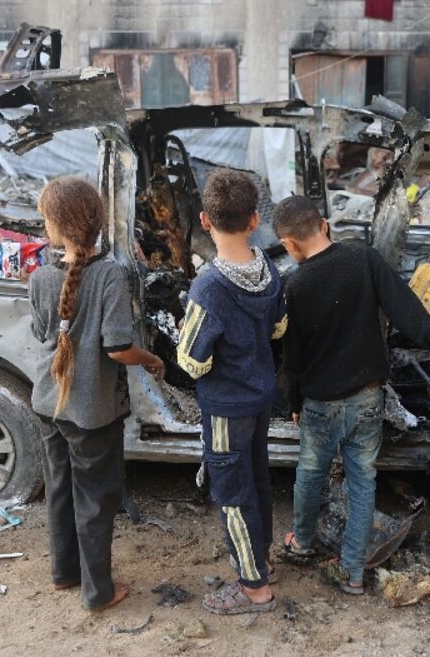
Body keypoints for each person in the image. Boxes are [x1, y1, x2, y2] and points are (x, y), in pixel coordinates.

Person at [272, 195, 430, 595]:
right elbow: (411, 316)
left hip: (319, 405)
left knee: (309, 474)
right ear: (324, 224)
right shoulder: (365, 259)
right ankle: (354, 573)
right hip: (367, 397)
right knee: (362, 481)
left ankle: (302, 544)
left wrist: (293, 403)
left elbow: (292, 359)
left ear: (289, 244)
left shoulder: (293, 284)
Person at [30, 176, 165, 612]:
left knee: (61, 490)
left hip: (49, 403)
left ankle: (64, 574)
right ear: (95, 222)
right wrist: (150, 360)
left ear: (55, 226)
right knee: (95, 499)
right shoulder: (110, 275)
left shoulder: (39, 277)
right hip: (93, 411)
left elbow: (40, 332)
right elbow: (118, 348)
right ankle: (98, 592)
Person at [176, 169, 286, 615]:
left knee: (231, 493)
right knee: (257, 480)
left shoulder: (208, 287)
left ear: (205, 220)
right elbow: (279, 328)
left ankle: (254, 589)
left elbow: (191, 359)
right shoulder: (269, 269)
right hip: (260, 397)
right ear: (255, 219)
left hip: (225, 409)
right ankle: (261, 559)